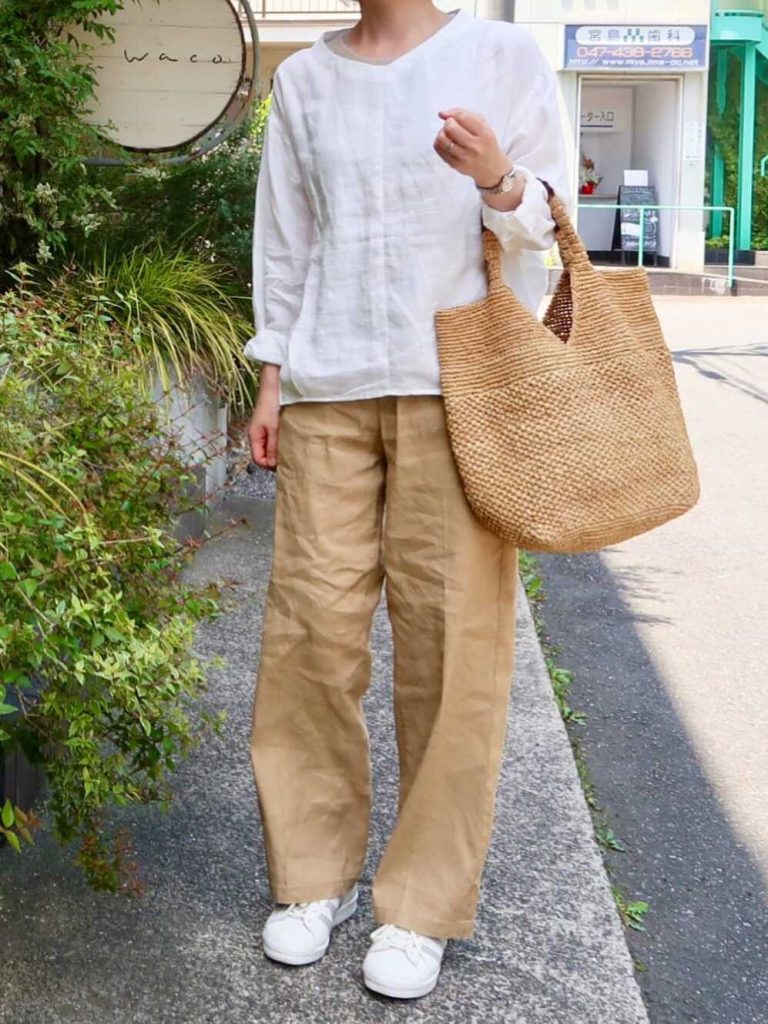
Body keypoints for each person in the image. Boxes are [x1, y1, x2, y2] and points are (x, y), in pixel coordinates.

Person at [244, 0, 571, 1000]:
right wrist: (271, 374)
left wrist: (497, 178)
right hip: (328, 386)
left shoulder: (501, 54)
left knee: (451, 647)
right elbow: (288, 241)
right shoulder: (303, 80)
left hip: (457, 387)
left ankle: (422, 903)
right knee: (309, 634)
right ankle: (315, 876)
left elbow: (551, 228)